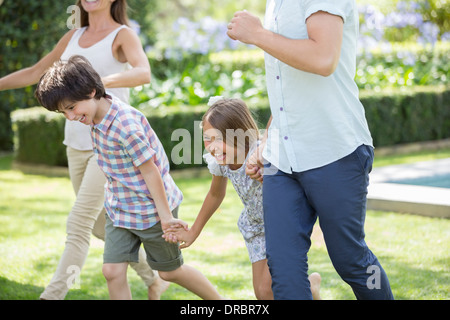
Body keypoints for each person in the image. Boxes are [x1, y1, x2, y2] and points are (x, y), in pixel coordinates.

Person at [0, 0, 168, 300]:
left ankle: (51, 296)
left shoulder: (122, 35)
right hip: (75, 144)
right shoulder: (72, 36)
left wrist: (95, 84)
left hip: (109, 143)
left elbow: (143, 73)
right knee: (102, 226)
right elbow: (38, 71)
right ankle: (153, 277)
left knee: (78, 223)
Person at [226, 1, 394, 300]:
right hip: (282, 160)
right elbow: (287, 86)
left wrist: (258, 34)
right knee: (284, 270)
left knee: (352, 261)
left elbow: (323, 59)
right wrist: (268, 140)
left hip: (335, 150)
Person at [34, 55, 224, 300]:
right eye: (63, 113)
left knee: (170, 273)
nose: (70, 117)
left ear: (92, 91)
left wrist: (166, 218)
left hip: (152, 210)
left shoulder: (125, 126)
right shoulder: (94, 118)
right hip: (120, 209)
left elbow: (150, 171)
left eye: (71, 108)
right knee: (112, 271)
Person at [164, 96, 321, 300]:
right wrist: (193, 232)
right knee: (263, 293)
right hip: (255, 227)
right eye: (207, 138)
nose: (211, 147)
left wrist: (266, 177)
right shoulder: (220, 161)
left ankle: (308, 290)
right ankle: (311, 290)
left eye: (217, 139)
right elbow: (215, 194)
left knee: (270, 288)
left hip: (280, 223)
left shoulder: (263, 155)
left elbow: (290, 185)